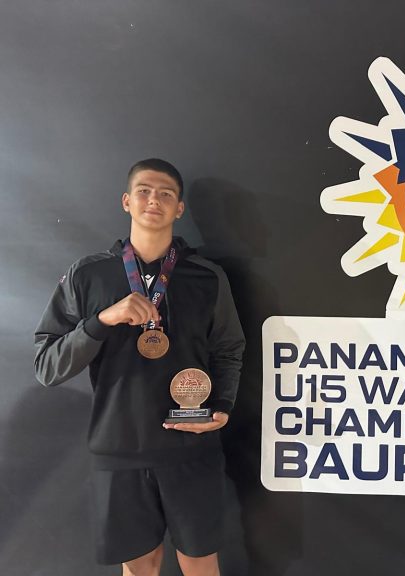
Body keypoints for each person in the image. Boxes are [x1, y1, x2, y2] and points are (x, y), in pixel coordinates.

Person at [34, 158, 245, 576]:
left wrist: (221, 406)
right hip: (120, 449)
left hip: (190, 446)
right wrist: (101, 321)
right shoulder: (87, 275)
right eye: (144, 191)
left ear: (179, 209)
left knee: (201, 562)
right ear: (127, 201)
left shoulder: (207, 277)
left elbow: (228, 349)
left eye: (166, 194)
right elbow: (47, 366)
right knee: (140, 566)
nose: (154, 200)